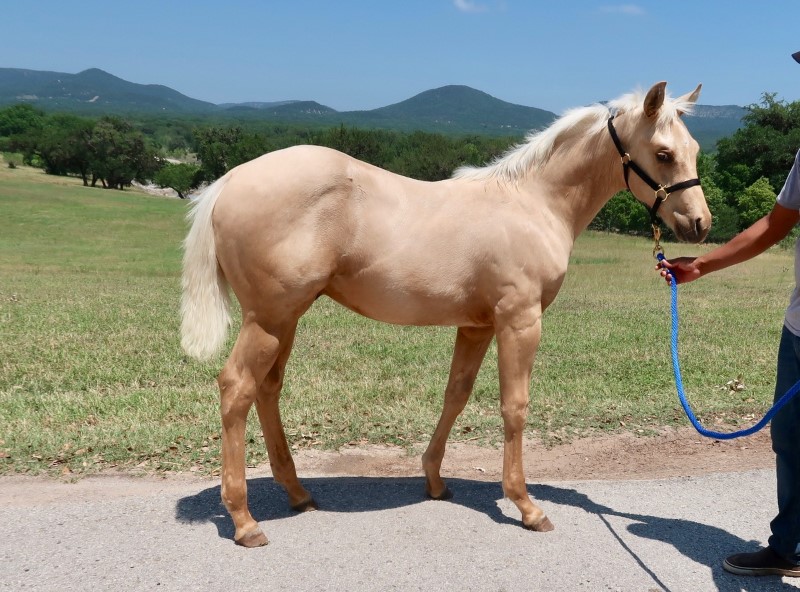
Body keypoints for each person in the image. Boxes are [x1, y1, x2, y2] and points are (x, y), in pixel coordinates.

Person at [658, 55, 800, 577]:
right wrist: (701, 266)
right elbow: (775, 224)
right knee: (791, 440)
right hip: (799, 329)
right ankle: (790, 549)